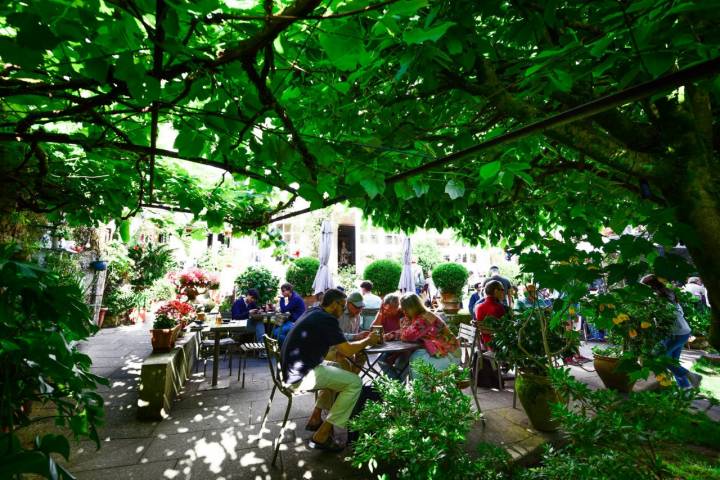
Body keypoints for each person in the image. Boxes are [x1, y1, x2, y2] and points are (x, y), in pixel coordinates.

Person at [281, 289, 381, 451]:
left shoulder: (314, 311)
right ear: (334, 304)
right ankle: (323, 433)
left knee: (338, 372)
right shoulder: (327, 319)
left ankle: (318, 418)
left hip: (291, 371)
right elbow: (347, 350)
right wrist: (368, 340)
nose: (343, 311)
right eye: (342, 306)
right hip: (300, 376)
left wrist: (340, 352)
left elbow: (326, 346)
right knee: (354, 383)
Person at [641, 274, 701, 389]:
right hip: (684, 330)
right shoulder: (669, 293)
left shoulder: (656, 296)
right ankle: (685, 388)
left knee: (659, 358)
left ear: (650, 286)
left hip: (675, 332)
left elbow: (655, 315)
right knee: (673, 361)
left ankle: (691, 376)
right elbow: (680, 313)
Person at [399, 293, 460, 377]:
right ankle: (420, 388)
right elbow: (404, 333)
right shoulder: (421, 316)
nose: (404, 312)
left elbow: (406, 336)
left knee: (416, 360)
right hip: (442, 352)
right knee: (406, 360)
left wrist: (404, 321)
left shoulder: (425, 318)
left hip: (450, 356)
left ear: (412, 308)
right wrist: (387, 336)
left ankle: (423, 389)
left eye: (405, 309)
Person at [475, 280, 506, 347]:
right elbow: (505, 328)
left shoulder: (478, 307)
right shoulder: (498, 307)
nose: (504, 292)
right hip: (497, 345)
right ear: (496, 291)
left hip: (484, 343)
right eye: (502, 289)